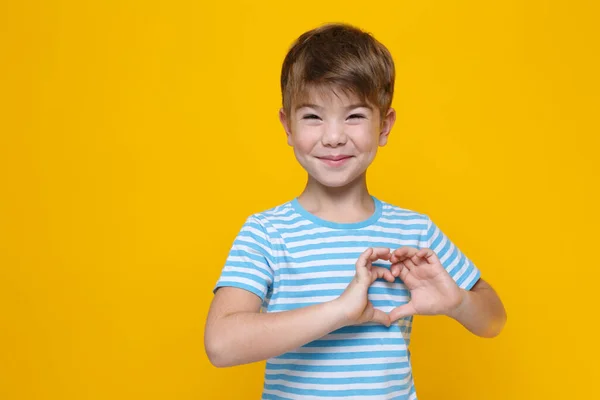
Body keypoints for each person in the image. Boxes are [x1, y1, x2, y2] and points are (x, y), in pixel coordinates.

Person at [204, 22, 506, 400]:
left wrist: (458, 302)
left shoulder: (414, 231)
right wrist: (341, 311)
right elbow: (221, 344)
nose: (333, 136)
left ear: (384, 125)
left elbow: (493, 319)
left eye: (355, 116)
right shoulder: (267, 233)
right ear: (287, 126)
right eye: (313, 116)